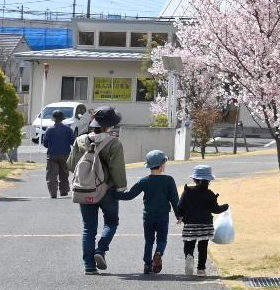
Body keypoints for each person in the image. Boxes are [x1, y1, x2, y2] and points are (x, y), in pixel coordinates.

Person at [69, 107, 128, 274]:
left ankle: (89, 266)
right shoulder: (113, 143)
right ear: (109, 125)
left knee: (89, 228)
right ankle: (100, 250)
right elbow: (117, 169)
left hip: (84, 189)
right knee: (111, 222)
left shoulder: (80, 141)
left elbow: (71, 165)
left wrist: (87, 177)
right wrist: (121, 187)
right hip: (107, 190)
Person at [116, 150, 183, 275]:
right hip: (163, 216)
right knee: (162, 239)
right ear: (162, 164)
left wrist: (112, 194)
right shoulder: (169, 180)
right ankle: (158, 253)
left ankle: (147, 264)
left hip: (148, 216)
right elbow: (175, 200)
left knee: (149, 240)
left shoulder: (144, 181)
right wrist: (179, 215)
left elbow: (129, 195)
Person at [175, 165, 229, 278]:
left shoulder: (187, 191)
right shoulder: (209, 194)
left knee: (189, 244)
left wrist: (180, 217)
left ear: (194, 179)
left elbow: (179, 207)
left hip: (190, 224)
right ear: (208, 180)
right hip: (205, 225)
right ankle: (201, 270)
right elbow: (216, 209)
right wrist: (225, 207)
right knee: (203, 247)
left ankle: (189, 256)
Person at [40, 108, 77, 199]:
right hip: (65, 154)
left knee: (52, 175)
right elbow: (73, 142)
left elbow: (45, 144)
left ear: (54, 118)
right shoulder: (68, 129)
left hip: (52, 154)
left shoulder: (49, 130)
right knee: (64, 173)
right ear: (62, 119)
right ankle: (64, 191)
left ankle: (53, 193)